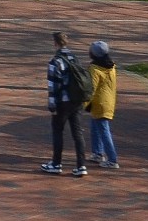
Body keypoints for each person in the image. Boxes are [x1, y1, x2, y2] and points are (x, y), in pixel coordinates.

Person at [42, 30, 88, 175]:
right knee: (78, 133)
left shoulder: (55, 61)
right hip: (77, 101)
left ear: (55, 43)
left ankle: (56, 163)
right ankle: (81, 166)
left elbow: (53, 86)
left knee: (58, 132)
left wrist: (52, 106)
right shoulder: (75, 58)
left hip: (62, 102)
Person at [87, 40, 120, 169]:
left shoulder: (94, 69)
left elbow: (91, 89)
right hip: (108, 101)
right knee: (95, 127)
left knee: (103, 130)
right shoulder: (111, 66)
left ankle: (112, 159)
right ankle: (97, 153)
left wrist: (85, 103)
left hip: (99, 103)